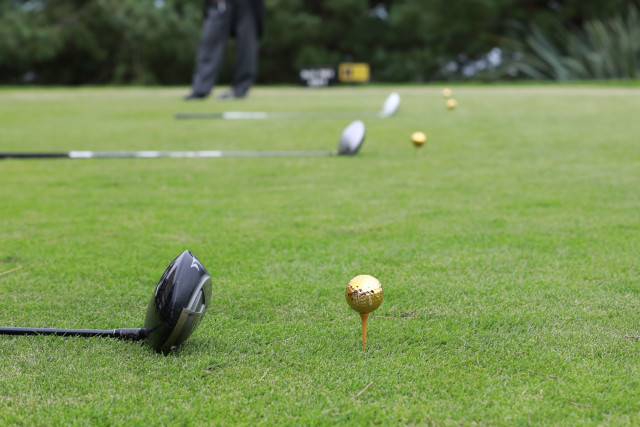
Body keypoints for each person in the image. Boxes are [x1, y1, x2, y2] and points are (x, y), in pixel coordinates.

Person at [185, 0, 264, 100]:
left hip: (248, 4)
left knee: (247, 46)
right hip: (219, 3)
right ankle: (200, 89)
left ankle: (240, 90)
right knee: (210, 43)